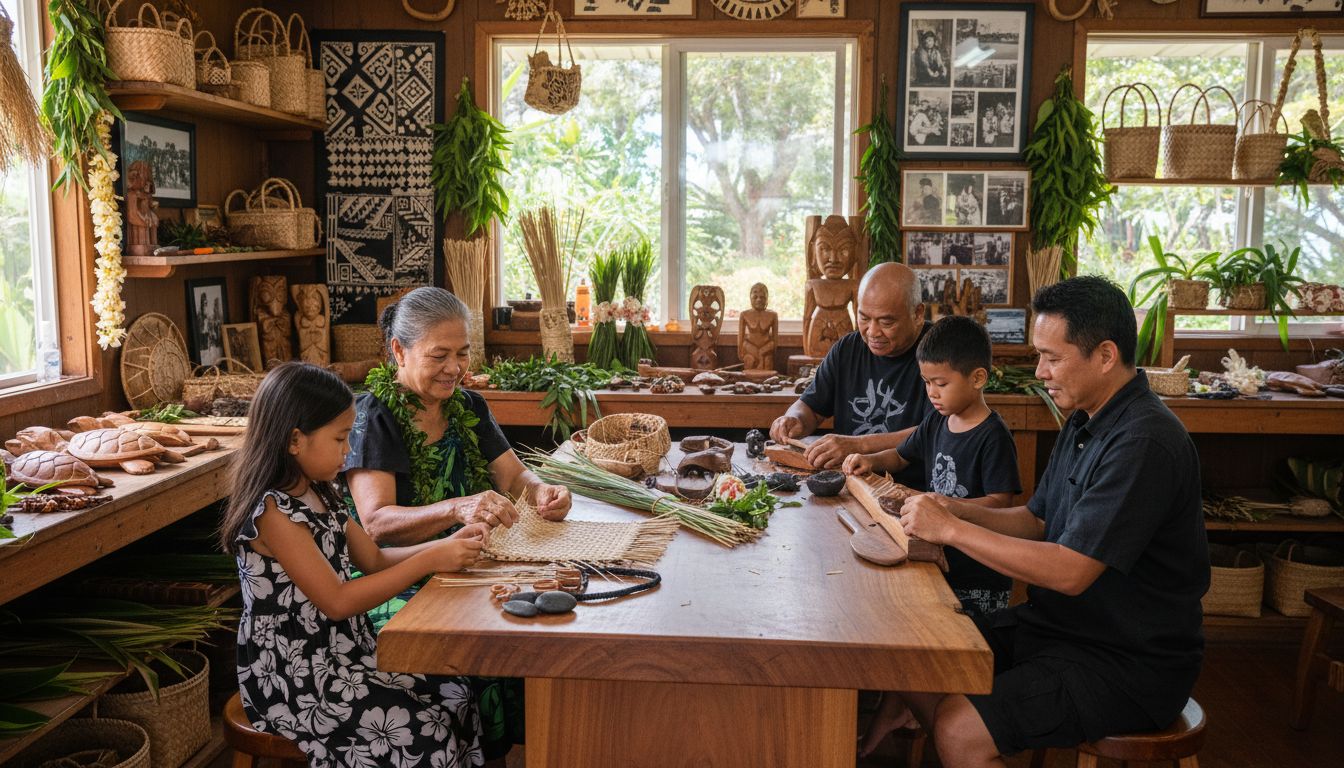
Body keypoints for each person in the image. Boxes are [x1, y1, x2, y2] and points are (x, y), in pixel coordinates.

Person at [887, 277, 1208, 768]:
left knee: (958, 727)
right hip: (1063, 629)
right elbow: (1037, 521)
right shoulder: (1084, 418)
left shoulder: (1144, 442)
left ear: (1105, 355)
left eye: (1052, 358)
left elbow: (1070, 571)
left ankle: (969, 742)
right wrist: (952, 507)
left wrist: (951, 530)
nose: (1040, 372)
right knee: (917, 657)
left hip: (1128, 660)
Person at [221, 362, 487, 768]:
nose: (348, 451)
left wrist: (447, 544)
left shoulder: (322, 493)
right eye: (341, 438)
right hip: (295, 677)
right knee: (424, 731)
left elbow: (375, 559)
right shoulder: (274, 513)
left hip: (343, 653)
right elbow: (338, 602)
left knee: (457, 692)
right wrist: (432, 558)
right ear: (295, 440)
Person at [344, 286, 571, 759]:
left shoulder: (468, 406)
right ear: (399, 351)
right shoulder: (375, 416)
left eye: (463, 353)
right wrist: (455, 508)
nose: (455, 367)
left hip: (466, 564)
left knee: (529, 628)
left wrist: (543, 491)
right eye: (439, 354)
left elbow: (512, 475)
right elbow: (378, 522)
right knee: (471, 651)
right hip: (394, 576)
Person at [844, 316, 1019, 757]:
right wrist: (869, 461)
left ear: (977, 378)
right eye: (926, 384)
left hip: (977, 578)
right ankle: (904, 706)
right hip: (937, 562)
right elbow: (900, 457)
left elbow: (1002, 504)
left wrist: (947, 509)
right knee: (893, 622)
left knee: (931, 648)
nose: (932, 394)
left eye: (940, 383)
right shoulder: (938, 422)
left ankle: (932, 719)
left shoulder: (992, 436)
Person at [770, 263, 932, 485]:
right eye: (864, 318)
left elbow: (937, 431)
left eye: (886, 322)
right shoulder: (848, 349)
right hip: (848, 485)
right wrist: (794, 419)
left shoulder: (938, 351)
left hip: (913, 491)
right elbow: (811, 408)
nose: (873, 332)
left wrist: (858, 445)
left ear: (918, 313)